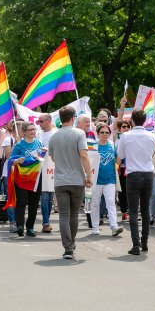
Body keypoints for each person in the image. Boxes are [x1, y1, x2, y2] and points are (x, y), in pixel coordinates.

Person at [49, 106, 93, 259]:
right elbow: (84, 156)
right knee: (74, 214)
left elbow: (53, 158)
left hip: (60, 180)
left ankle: (68, 248)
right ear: (73, 118)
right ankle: (71, 244)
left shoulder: (54, 137)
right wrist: (89, 175)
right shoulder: (79, 133)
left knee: (64, 215)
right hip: (76, 179)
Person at [117, 110, 155, 255]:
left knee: (133, 210)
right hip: (147, 173)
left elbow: (120, 155)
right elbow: (151, 153)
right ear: (145, 120)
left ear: (132, 121)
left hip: (133, 174)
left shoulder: (126, 136)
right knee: (145, 210)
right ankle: (144, 242)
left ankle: (135, 244)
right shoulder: (151, 135)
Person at [9, 122, 45, 237]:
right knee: (21, 202)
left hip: (35, 178)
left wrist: (44, 152)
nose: (32, 131)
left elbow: (42, 159)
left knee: (34, 203)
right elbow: (11, 161)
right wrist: (18, 160)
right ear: (24, 132)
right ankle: (20, 225)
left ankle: (30, 227)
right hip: (22, 178)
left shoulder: (39, 143)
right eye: (29, 130)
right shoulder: (19, 145)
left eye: (33, 129)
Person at [90, 123, 123, 237]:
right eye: (102, 132)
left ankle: (114, 226)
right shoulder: (93, 146)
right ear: (98, 134)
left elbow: (117, 161)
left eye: (107, 132)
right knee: (95, 204)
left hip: (110, 180)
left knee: (111, 203)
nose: (104, 134)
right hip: (96, 181)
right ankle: (95, 227)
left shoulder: (112, 145)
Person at [37, 113, 57, 233]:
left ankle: (47, 220)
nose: (39, 123)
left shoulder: (56, 133)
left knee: (50, 197)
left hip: (53, 167)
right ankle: (45, 222)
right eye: (38, 121)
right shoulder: (38, 134)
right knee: (44, 196)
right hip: (40, 168)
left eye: (41, 121)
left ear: (49, 121)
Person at [115, 119, 132, 222]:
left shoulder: (133, 138)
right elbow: (117, 156)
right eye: (124, 127)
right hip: (121, 168)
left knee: (131, 191)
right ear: (119, 129)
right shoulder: (117, 141)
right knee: (122, 191)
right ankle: (124, 212)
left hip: (131, 167)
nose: (126, 128)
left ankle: (131, 212)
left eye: (128, 127)